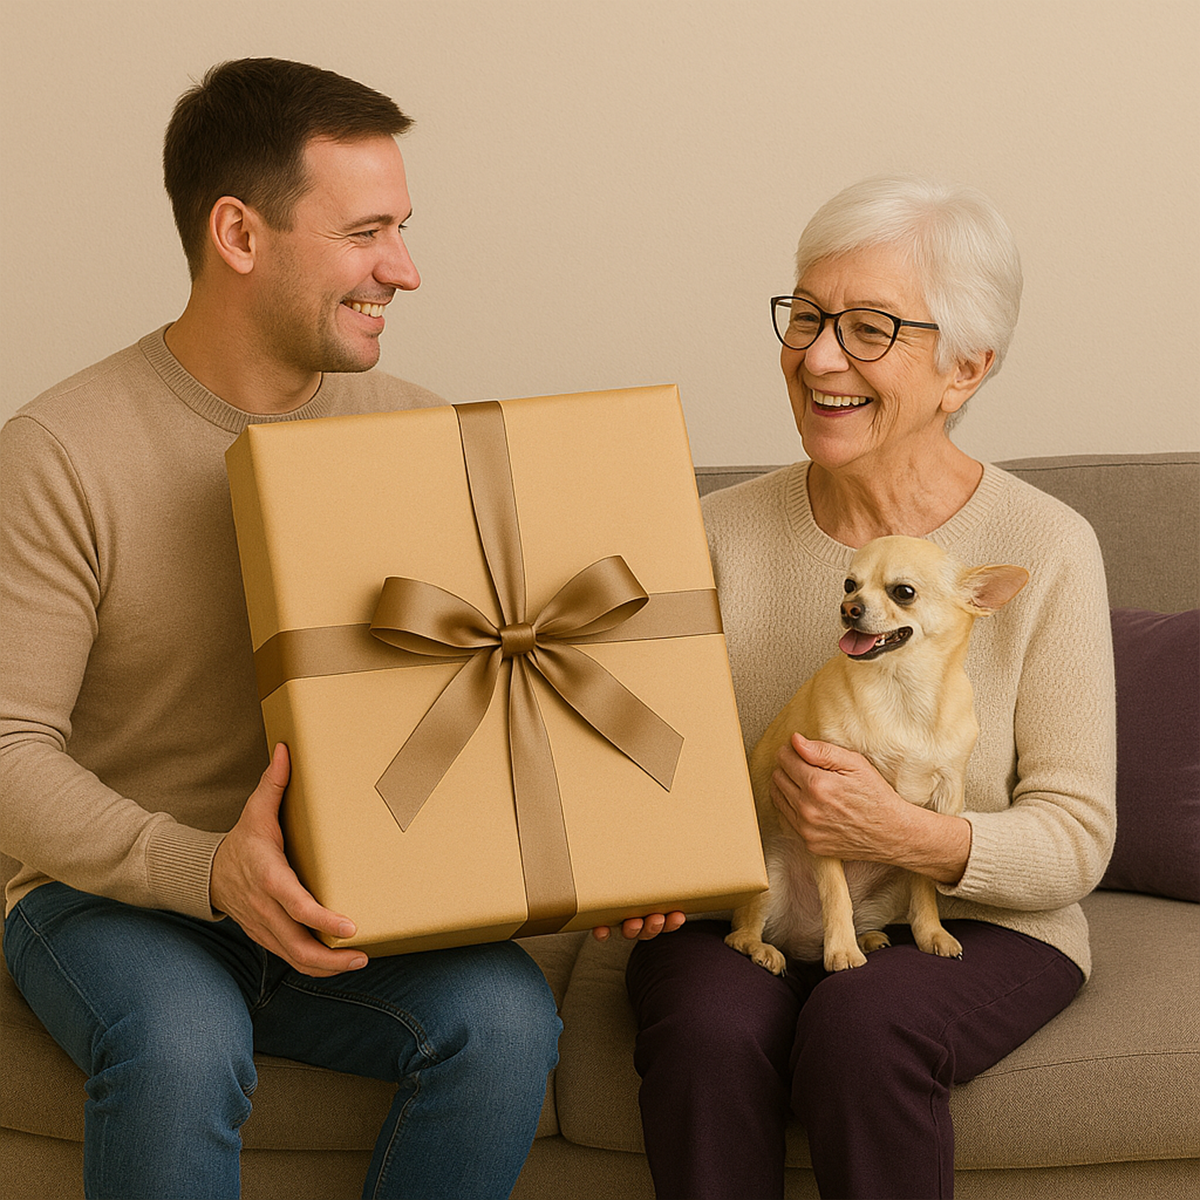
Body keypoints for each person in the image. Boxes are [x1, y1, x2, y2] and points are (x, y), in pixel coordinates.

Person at [0, 58, 565, 1200]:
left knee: (505, 1017)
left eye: (402, 228)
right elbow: (8, 751)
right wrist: (207, 868)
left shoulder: (418, 429)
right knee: (180, 1044)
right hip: (106, 897)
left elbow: (489, 702)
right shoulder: (59, 452)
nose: (404, 270)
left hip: (346, 890)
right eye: (366, 232)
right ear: (238, 234)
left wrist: (607, 858)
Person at [625, 176, 1117, 1199]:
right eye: (805, 317)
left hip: (983, 920)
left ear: (965, 368)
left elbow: (1074, 836)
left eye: (868, 328)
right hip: (761, 900)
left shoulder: (1047, 548)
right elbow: (659, 777)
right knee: (710, 1031)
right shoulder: (714, 533)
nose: (815, 356)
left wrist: (901, 834)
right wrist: (637, 867)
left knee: (863, 1027)